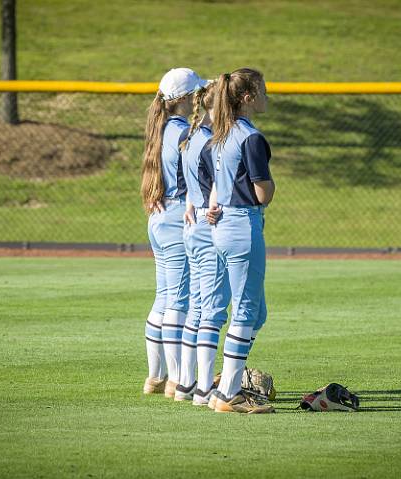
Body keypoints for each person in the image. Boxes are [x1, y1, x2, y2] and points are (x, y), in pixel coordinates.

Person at [206, 68, 275, 414]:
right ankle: (228, 393)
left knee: (256, 313)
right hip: (243, 225)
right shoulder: (250, 136)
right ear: (247, 97)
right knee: (245, 311)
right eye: (262, 91)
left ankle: (229, 381)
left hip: (223, 227)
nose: (266, 96)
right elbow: (263, 193)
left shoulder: (220, 133)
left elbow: (210, 178)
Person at [141, 68, 208, 398]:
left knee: (165, 297)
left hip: (158, 216)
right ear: (185, 98)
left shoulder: (162, 125)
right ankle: (177, 380)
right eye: (198, 92)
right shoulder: (183, 131)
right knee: (179, 302)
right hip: (177, 219)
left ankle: (155, 377)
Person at [172, 82, 223, 405]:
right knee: (212, 311)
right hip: (208, 224)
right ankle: (204, 388)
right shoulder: (209, 140)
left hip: (192, 225)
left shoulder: (189, 135)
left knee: (197, 307)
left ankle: (186, 384)